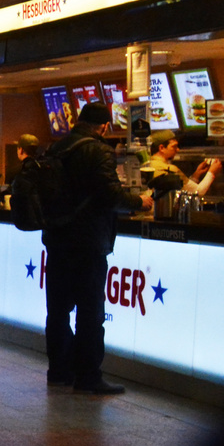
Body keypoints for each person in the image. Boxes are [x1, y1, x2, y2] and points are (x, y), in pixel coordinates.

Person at [42, 102, 151, 395]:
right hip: (88, 242)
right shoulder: (98, 150)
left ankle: (59, 370)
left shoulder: (57, 148)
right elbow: (109, 194)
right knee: (91, 312)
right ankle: (89, 376)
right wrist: (139, 202)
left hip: (57, 238)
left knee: (58, 310)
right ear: (103, 126)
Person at [142, 131, 221, 195]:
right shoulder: (169, 169)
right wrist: (212, 173)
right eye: (174, 146)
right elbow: (198, 192)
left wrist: (196, 175)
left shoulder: (147, 164)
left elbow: (186, 189)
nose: (178, 150)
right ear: (162, 148)